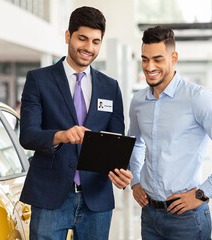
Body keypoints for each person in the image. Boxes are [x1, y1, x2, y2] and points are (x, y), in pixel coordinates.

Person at [19, 6, 133, 240]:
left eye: (95, 41)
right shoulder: (38, 80)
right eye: (82, 39)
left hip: (97, 199)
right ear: (67, 36)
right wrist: (60, 135)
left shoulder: (110, 87)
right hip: (50, 196)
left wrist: (122, 173)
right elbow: (28, 135)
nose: (89, 48)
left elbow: (115, 143)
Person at [129, 26, 212, 240]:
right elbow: (134, 144)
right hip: (149, 215)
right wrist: (135, 180)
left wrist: (203, 193)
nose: (150, 66)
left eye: (157, 59)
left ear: (174, 58)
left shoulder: (197, 98)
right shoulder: (138, 102)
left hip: (187, 218)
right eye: (145, 59)